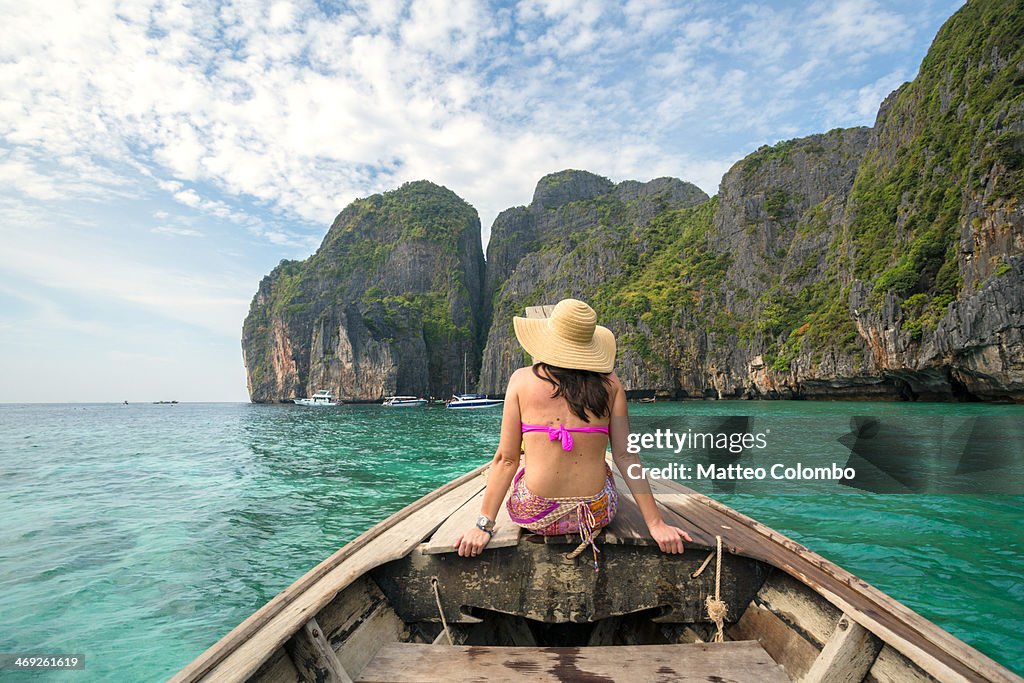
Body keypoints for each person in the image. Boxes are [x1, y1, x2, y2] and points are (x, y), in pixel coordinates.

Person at [455, 298, 692, 568]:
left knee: (522, 467)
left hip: (536, 516)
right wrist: (656, 523)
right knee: (605, 468)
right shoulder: (611, 384)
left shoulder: (520, 380)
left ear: (550, 339)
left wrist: (483, 526)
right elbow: (626, 456)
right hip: (593, 514)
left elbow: (506, 460)